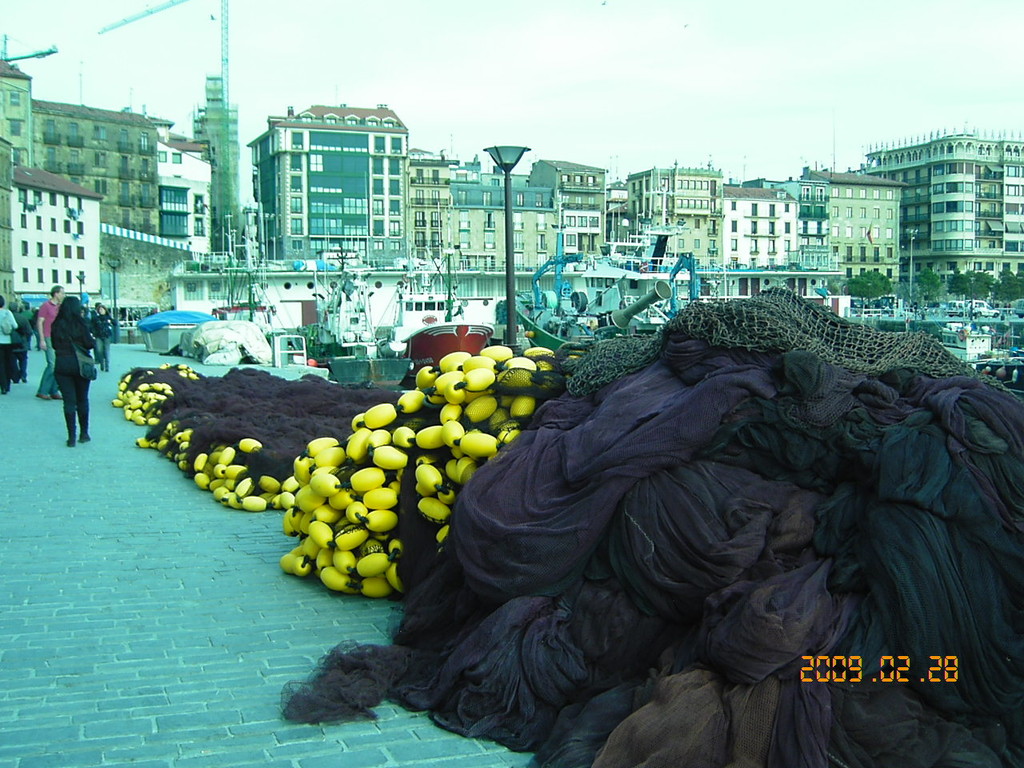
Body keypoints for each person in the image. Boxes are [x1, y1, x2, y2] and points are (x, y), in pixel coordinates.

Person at [51, 295, 95, 447]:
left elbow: (55, 345)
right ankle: (84, 433)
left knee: (69, 401)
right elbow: (89, 344)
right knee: (82, 399)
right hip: (80, 365)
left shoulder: (57, 324)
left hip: (62, 364)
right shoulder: (81, 324)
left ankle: (71, 437)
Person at [36, 285, 64, 400]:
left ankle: (53, 390)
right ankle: (43, 390)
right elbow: (40, 322)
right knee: (52, 364)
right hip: (49, 337)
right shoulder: (46, 306)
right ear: (56, 293)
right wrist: (42, 339)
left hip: (59, 338)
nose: (63, 295)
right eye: (62, 293)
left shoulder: (60, 307)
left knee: (59, 365)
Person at [89, 303, 115, 372]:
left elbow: (115, 323)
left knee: (106, 350)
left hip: (107, 336)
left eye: (102, 309)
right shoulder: (95, 318)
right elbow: (91, 326)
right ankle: (101, 363)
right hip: (98, 336)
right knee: (99, 350)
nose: (101, 311)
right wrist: (93, 332)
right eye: (100, 309)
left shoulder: (108, 317)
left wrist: (111, 320)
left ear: (105, 310)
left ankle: (107, 366)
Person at [11, 300, 32, 383]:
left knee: (12, 361)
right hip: (22, 342)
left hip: (11, 343)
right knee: (23, 360)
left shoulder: (7, 317)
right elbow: (29, 331)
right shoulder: (23, 318)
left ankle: (15, 377)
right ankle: (23, 375)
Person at [0, 295, 16, 395]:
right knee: (7, 363)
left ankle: (3, 385)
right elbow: (15, 325)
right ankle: (7, 384)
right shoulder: (7, 312)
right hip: (7, 341)